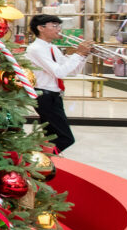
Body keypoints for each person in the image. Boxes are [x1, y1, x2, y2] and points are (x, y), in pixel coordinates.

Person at [24, 14, 91, 153]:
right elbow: (58, 72)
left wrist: (83, 56)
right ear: (41, 28)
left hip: (54, 95)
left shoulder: (52, 48)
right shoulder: (35, 49)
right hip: (44, 95)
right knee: (65, 138)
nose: (58, 29)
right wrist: (78, 54)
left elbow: (72, 72)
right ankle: (39, 158)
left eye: (59, 26)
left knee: (52, 137)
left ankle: (44, 161)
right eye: (54, 26)